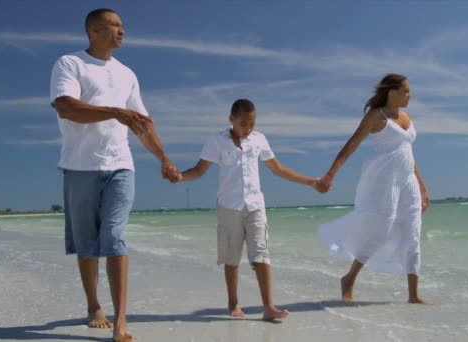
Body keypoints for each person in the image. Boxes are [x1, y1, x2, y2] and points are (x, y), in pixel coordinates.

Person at [49, 8, 180, 342]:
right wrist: (115, 111)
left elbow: (142, 124)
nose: (122, 31)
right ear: (94, 29)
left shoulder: (127, 74)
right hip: (80, 167)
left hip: (121, 165)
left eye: (123, 26)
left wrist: (163, 158)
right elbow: (65, 106)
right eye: (115, 25)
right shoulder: (70, 63)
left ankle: (120, 321)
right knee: (87, 244)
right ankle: (94, 306)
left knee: (115, 237)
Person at [173, 99, 323, 320]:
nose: (248, 129)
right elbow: (198, 170)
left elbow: (278, 169)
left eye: (252, 124)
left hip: (255, 205)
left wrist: (311, 182)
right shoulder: (216, 141)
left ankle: (268, 307)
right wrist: (180, 177)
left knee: (261, 254)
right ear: (231, 119)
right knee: (231, 259)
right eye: (243, 124)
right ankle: (233, 303)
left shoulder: (259, 140)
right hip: (228, 205)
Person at [315, 73, 431, 304]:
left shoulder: (406, 117)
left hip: (408, 182)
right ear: (392, 91)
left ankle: (413, 295)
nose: (410, 95)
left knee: (413, 234)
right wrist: (330, 173)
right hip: (384, 180)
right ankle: (349, 278)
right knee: (381, 231)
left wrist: (422, 187)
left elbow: (408, 154)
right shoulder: (377, 116)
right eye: (406, 90)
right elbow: (353, 143)